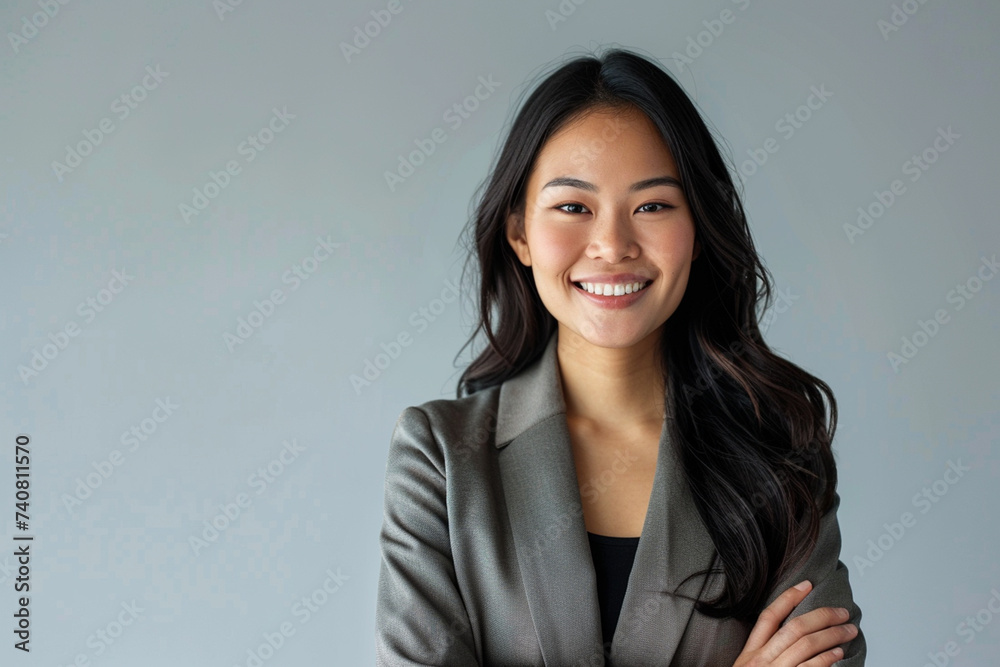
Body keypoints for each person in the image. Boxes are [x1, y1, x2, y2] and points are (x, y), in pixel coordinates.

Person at [375, 46, 867, 666]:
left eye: (653, 205)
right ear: (520, 233)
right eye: (573, 207)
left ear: (698, 230)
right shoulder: (441, 460)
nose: (612, 245)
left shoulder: (779, 447)